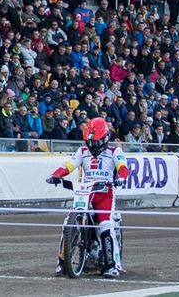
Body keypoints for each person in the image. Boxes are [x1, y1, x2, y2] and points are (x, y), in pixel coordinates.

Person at [46, 117, 129, 278]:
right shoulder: (82, 151)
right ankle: (62, 262)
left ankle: (111, 265)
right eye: (90, 142)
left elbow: (122, 167)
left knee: (105, 224)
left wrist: (122, 178)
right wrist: (55, 175)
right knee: (67, 223)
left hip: (105, 193)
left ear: (105, 138)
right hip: (85, 192)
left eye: (96, 142)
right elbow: (69, 165)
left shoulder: (114, 151)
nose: (93, 146)